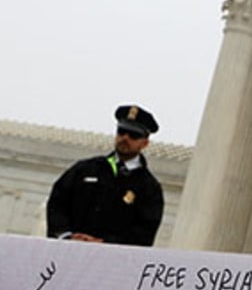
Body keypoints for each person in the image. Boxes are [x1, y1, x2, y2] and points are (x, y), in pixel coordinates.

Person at [45, 104, 165, 245]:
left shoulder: (149, 188)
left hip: (110, 260)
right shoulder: (85, 169)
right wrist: (65, 235)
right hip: (69, 250)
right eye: (122, 131)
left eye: (133, 135)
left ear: (144, 143)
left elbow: (144, 232)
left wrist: (104, 243)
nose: (125, 138)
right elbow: (57, 203)